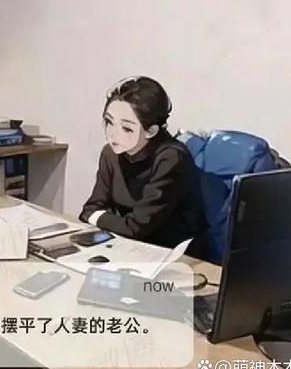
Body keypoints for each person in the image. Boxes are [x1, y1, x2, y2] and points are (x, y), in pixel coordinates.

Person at [79, 76, 207, 253]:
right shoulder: (111, 153)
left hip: (175, 254)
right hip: (129, 246)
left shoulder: (171, 157)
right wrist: (108, 220)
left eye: (126, 128)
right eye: (109, 122)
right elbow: (89, 209)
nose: (112, 134)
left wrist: (101, 218)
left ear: (151, 131)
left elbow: (136, 228)